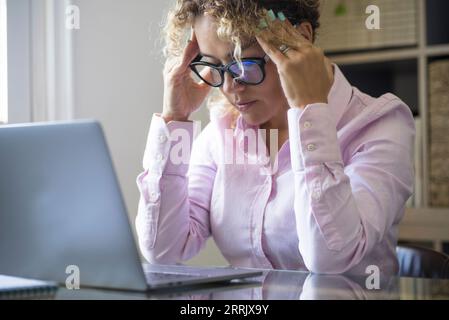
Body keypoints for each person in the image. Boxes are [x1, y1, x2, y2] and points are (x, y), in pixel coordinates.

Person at [135, 0, 415, 275]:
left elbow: (330, 258)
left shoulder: (379, 124)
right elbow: (163, 251)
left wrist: (310, 108)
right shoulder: (223, 132)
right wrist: (175, 118)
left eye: (244, 62)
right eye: (214, 65)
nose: (231, 87)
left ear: (300, 39)